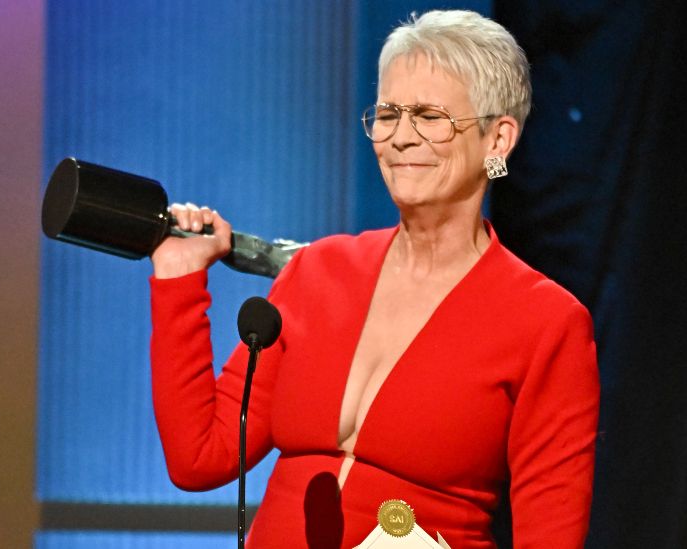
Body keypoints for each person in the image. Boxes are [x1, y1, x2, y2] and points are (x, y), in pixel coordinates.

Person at [148, 10, 599, 548]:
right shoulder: (319, 271)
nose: (399, 139)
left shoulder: (546, 322)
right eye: (387, 114)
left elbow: (549, 536)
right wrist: (178, 280)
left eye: (430, 116)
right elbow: (200, 457)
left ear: (497, 138)